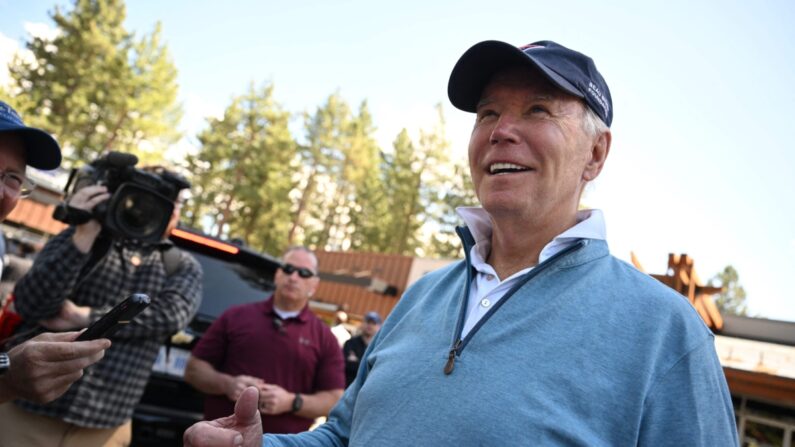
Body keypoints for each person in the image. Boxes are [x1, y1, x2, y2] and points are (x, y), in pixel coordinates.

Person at [183, 39, 739, 447]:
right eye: (488, 112)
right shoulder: (424, 297)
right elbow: (344, 438)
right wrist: (259, 446)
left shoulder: (663, 329)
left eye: (538, 109)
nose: (500, 129)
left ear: (595, 155)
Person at [0, 147, 202, 445]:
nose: (161, 209)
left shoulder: (180, 265)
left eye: (173, 203)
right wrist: (83, 235)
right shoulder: (79, 235)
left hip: (106, 422)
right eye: (145, 196)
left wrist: (84, 317)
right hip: (28, 407)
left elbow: (170, 316)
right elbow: (31, 303)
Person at [0, 101, 109, 406]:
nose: (2, 192)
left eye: (13, 178)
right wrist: (8, 372)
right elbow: (32, 303)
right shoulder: (67, 239)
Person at [184, 246, 345, 435]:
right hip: (221, 439)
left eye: (304, 273)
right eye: (288, 269)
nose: (293, 277)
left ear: (314, 285)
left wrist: (292, 401)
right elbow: (193, 369)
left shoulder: (324, 337)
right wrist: (228, 384)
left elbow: (334, 398)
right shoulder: (235, 316)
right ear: (277, 274)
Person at [342, 311, 381, 387]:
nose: (370, 325)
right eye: (368, 322)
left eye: (373, 323)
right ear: (362, 324)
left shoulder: (379, 348)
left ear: (379, 327)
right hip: (347, 387)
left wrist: (356, 363)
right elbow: (343, 365)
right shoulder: (350, 343)